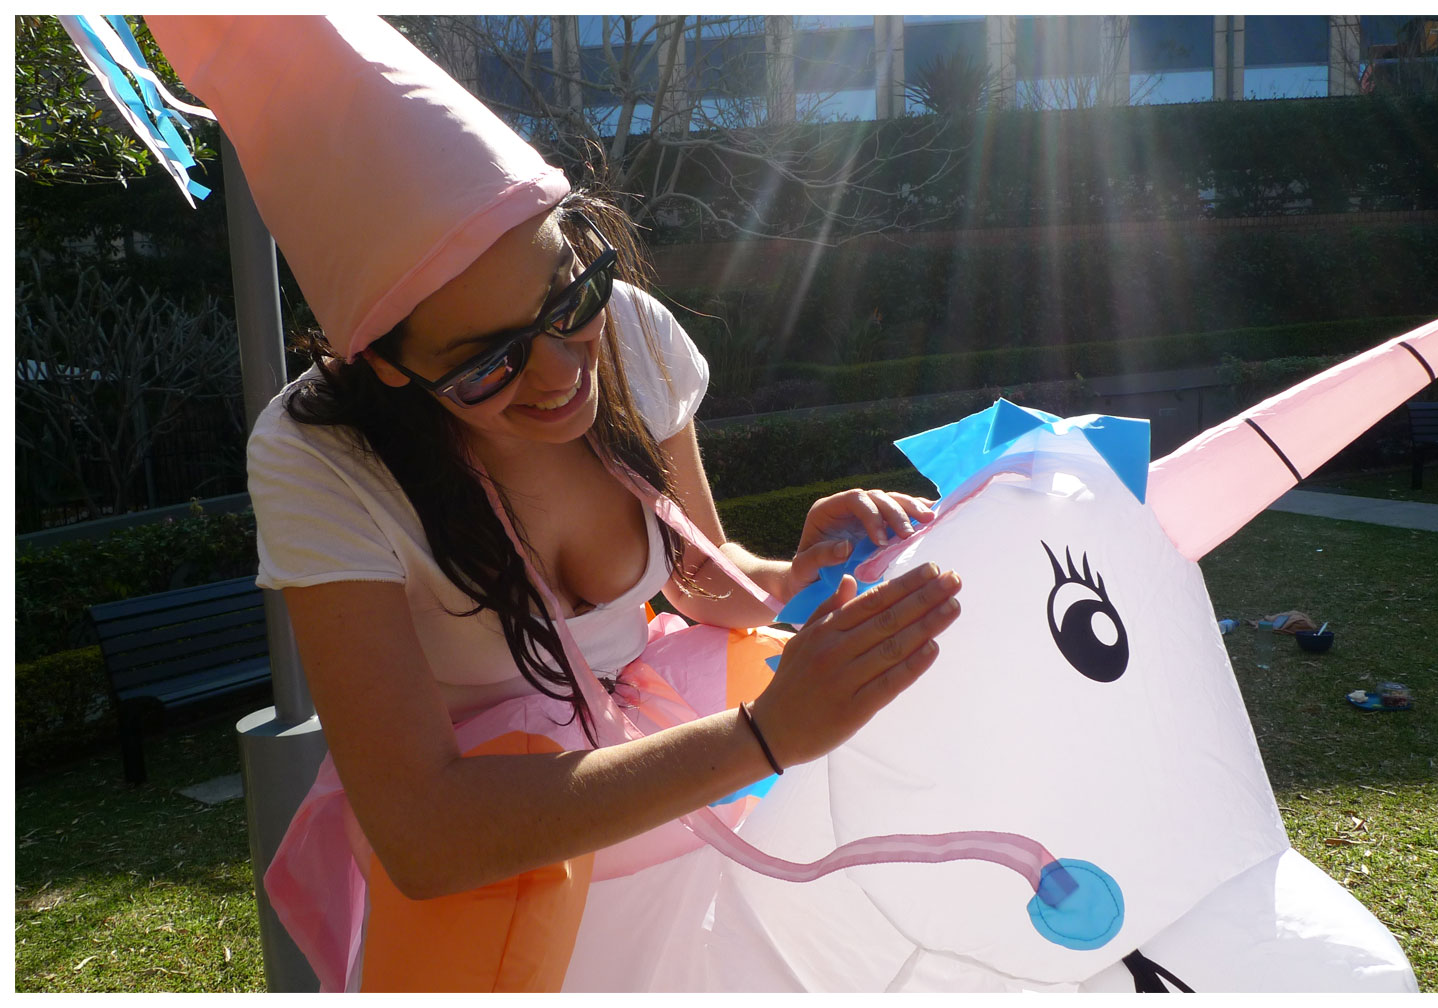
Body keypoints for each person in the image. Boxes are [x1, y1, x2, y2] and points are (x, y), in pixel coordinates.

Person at [146, 15, 960, 992]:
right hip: (512, 865)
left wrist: (794, 572)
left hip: (679, 775)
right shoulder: (319, 456)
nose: (560, 375)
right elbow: (424, 833)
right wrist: (763, 737)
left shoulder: (632, 335)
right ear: (390, 368)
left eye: (567, 302)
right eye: (486, 363)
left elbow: (696, 578)